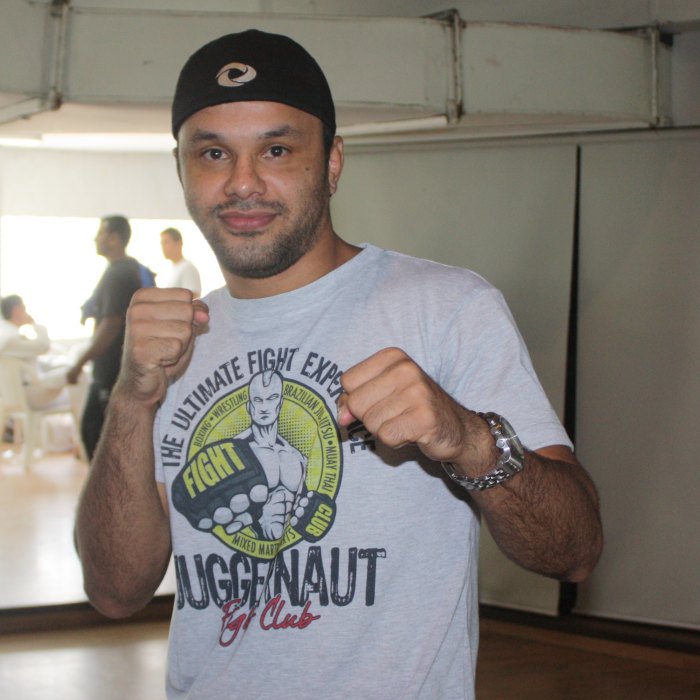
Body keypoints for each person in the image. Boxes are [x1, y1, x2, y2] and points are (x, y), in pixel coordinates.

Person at [75, 30, 603, 700]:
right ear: (182, 171)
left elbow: (573, 553)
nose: (242, 182)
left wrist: (469, 439)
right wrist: (132, 398)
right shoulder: (174, 347)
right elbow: (115, 592)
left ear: (331, 163)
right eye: (212, 153)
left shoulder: (445, 307)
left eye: (276, 150)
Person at [67, 215, 146, 459]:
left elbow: (111, 325)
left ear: (114, 239)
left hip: (113, 370)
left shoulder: (118, 274)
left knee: (97, 435)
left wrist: (79, 363)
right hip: (118, 368)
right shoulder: (125, 269)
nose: (95, 239)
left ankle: (106, 485)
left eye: (100, 233)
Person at [0, 294, 69, 410]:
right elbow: (43, 346)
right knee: (77, 373)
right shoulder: (10, 338)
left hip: (13, 393)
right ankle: (87, 417)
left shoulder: (5, 333)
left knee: (68, 371)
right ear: (17, 310)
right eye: (24, 308)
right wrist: (34, 324)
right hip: (27, 393)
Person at [159, 227, 202, 296]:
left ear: (179, 243)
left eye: (166, 242)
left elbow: (193, 296)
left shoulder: (187, 268)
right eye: (161, 244)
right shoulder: (171, 270)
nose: (163, 247)